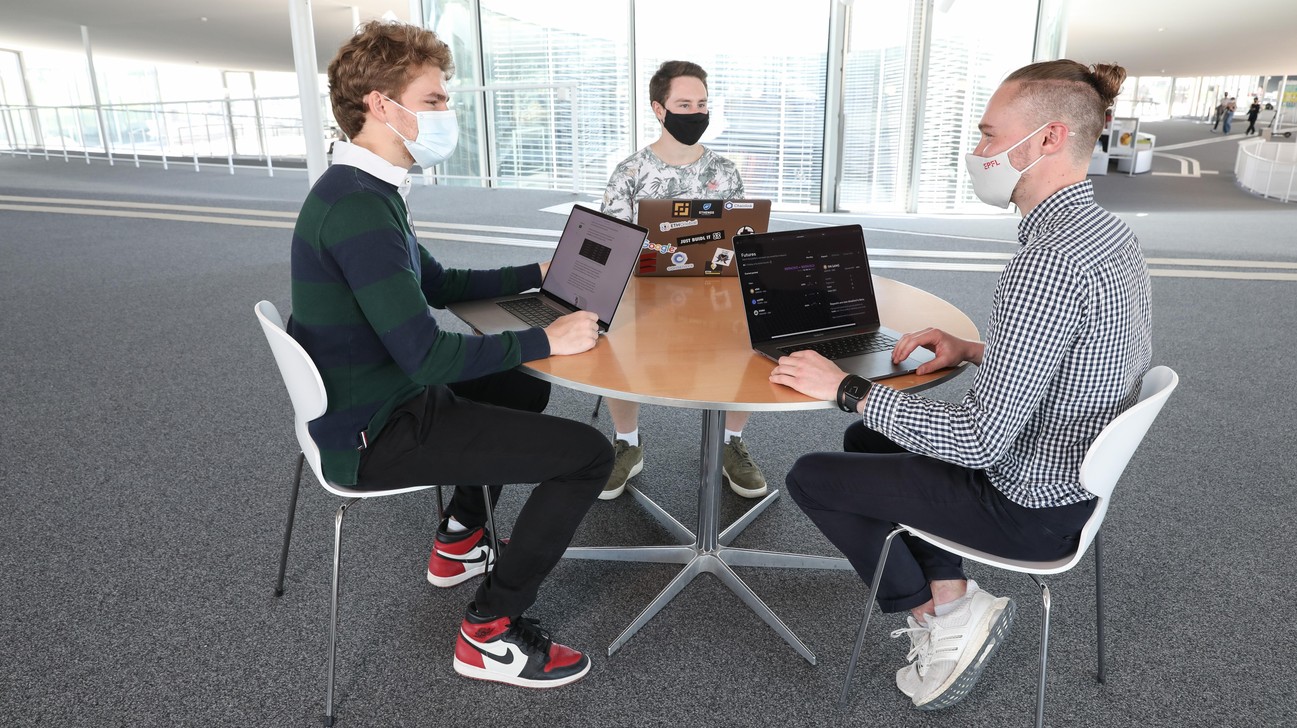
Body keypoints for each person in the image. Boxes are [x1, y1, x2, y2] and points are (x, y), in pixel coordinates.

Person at [771, 59, 1151, 711]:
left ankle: (934, 616)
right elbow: (1086, 357)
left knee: (811, 474)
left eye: (986, 134)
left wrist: (844, 386)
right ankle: (952, 593)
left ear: (1049, 139)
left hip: (1027, 508)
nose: (976, 152)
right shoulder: (1106, 236)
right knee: (867, 440)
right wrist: (972, 350)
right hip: (1075, 480)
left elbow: (978, 441)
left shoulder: (1046, 262)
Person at [289, 20, 614, 689]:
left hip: (368, 399)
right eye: (434, 100)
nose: (447, 114)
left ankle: (460, 538)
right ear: (381, 105)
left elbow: (438, 285)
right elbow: (428, 360)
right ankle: (489, 631)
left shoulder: (369, 191)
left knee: (521, 388)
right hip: (377, 431)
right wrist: (547, 338)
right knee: (587, 456)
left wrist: (540, 273)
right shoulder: (357, 211)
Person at [597, 60, 767, 501]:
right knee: (614, 337)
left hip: (717, 288)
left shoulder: (726, 172)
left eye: (702, 104)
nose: (696, 112)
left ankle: (730, 442)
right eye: (684, 104)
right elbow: (613, 246)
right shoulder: (629, 173)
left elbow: (744, 237)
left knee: (753, 332)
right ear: (659, 108)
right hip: (645, 289)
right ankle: (627, 444)